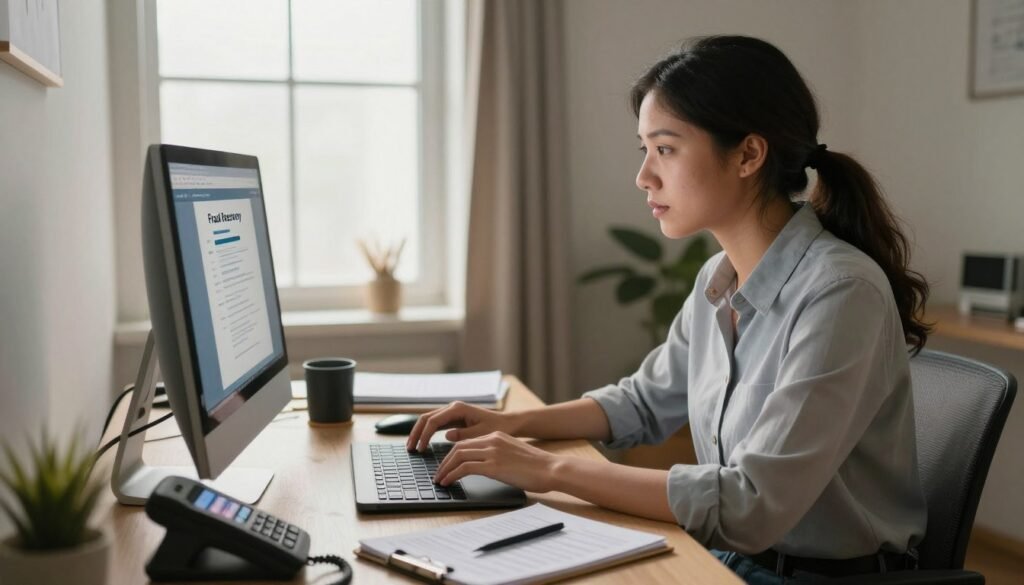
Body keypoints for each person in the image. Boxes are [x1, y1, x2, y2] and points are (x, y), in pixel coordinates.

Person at [406, 35, 929, 584]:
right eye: (645, 150)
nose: (644, 176)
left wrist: (547, 468)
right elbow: (642, 402)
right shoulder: (717, 279)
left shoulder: (840, 292)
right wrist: (510, 424)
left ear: (749, 154)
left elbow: (752, 504)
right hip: (733, 558)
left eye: (667, 149)